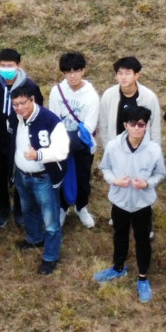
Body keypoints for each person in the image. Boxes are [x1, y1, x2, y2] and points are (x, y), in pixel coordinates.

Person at [94, 105, 166, 302]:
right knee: (120, 235)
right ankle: (118, 267)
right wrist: (114, 181)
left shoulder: (153, 150)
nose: (136, 128)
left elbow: (160, 173)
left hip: (142, 204)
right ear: (125, 125)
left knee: (143, 239)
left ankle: (143, 277)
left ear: (147, 125)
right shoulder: (112, 146)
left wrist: (147, 183)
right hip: (119, 202)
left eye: (141, 124)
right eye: (132, 124)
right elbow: (105, 168)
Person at [0, 48, 43, 229]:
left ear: (19, 66)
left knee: (20, 173)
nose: (6, 69)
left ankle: (20, 209)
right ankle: (4, 207)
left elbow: (37, 109)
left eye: (10, 66)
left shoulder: (29, 86)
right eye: (3, 65)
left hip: (21, 139)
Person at [9, 86, 69, 275]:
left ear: (33, 99)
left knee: (50, 219)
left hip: (43, 177)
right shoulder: (15, 118)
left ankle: (51, 256)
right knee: (28, 210)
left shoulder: (51, 120)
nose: (19, 108)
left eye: (22, 103)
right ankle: (34, 238)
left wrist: (38, 155)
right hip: (22, 175)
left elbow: (62, 150)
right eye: (15, 104)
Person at [47, 50, 100, 229]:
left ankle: (81, 207)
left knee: (82, 177)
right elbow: (53, 119)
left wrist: (68, 141)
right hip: (60, 142)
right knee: (60, 175)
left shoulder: (91, 95)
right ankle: (62, 208)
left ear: (82, 71)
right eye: (68, 72)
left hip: (81, 145)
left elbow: (89, 127)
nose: (72, 75)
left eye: (76, 71)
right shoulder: (57, 91)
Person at [98, 56, 162, 148]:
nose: (123, 77)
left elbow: (155, 127)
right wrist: (108, 148)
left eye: (128, 73)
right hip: (116, 148)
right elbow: (103, 125)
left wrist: (154, 151)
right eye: (120, 73)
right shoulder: (108, 95)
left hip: (141, 149)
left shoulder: (149, 97)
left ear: (136, 75)